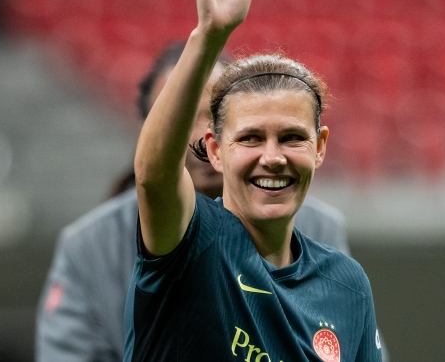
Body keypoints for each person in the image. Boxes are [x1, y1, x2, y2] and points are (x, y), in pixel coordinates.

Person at [125, 0, 382, 360]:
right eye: (250, 139)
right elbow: (152, 175)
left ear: (319, 147)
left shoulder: (347, 284)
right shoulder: (192, 242)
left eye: (291, 137)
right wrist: (209, 35)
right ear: (214, 150)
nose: (273, 157)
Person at [36, 39, 353, 359]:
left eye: (217, 116)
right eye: (183, 117)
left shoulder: (318, 230)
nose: (203, 135)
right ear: (152, 133)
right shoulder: (90, 246)